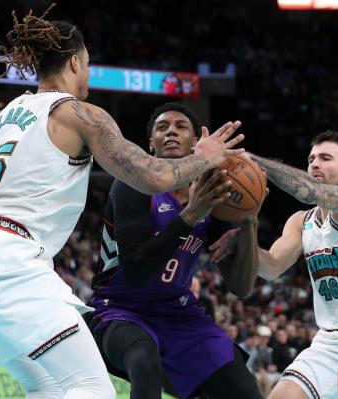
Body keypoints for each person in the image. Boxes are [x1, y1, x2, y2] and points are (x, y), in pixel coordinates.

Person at [0, 6, 244, 399]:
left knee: (46, 386)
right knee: (91, 386)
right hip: (4, 258)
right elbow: (154, 177)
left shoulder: (9, 112)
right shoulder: (80, 113)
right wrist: (207, 155)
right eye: (89, 64)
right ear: (76, 61)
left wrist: (5, 134)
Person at [212, 131, 338, 399]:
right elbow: (271, 267)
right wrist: (244, 243)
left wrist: (254, 163)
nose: (314, 164)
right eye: (311, 159)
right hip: (330, 341)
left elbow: (312, 192)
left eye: (325, 158)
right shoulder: (301, 221)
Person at [85, 103, 263, 399]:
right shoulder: (133, 184)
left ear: (196, 144)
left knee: (243, 388)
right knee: (144, 361)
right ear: (150, 144)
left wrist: (249, 222)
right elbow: (137, 272)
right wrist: (190, 216)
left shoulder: (213, 194)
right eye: (162, 127)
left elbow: (241, 287)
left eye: (181, 127)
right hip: (119, 310)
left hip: (178, 314)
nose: (170, 131)